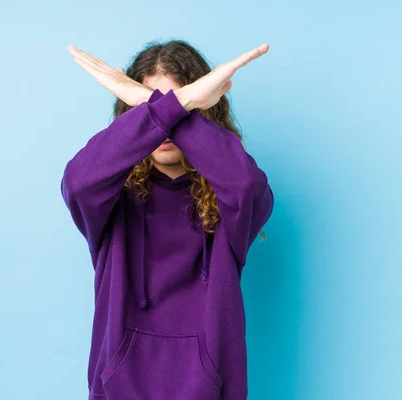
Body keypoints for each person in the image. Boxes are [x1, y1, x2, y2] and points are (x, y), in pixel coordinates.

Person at [61, 39, 274, 400]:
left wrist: (160, 106)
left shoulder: (230, 197)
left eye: (181, 105)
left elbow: (249, 187)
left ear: (205, 112)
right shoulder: (110, 195)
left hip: (212, 388)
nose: (165, 123)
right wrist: (170, 108)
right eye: (148, 105)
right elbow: (78, 182)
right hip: (120, 387)